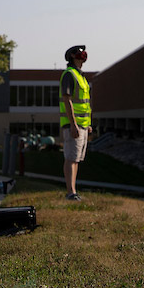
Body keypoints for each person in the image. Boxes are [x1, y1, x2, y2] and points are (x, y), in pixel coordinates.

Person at [58, 44, 91, 201]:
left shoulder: (81, 76)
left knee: (76, 159)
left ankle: (73, 191)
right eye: (79, 52)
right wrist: (73, 125)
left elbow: (84, 104)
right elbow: (67, 100)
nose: (83, 55)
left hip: (82, 125)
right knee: (71, 158)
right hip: (74, 125)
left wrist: (87, 124)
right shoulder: (69, 75)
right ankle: (70, 192)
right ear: (72, 56)